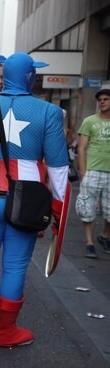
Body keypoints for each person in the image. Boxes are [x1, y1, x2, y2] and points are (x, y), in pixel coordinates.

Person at [0, 52, 69, 355]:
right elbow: (59, 169)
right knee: (15, 267)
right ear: (30, 77)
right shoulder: (49, 112)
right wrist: (58, 209)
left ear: (5, 75)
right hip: (28, 204)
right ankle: (6, 331)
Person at [75, 88, 110, 258]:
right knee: (87, 207)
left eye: (106, 99)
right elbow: (81, 148)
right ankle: (89, 243)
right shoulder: (89, 121)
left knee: (109, 211)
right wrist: (83, 172)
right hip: (93, 171)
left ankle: (104, 235)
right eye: (100, 99)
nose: (102, 102)